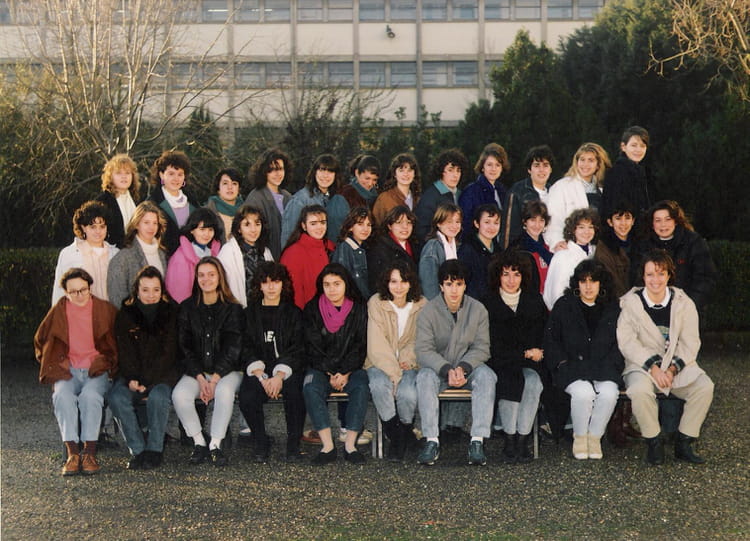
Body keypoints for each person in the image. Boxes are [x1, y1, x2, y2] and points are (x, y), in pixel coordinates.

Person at [618, 250, 714, 464]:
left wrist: (672, 369)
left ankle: (684, 441)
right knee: (639, 391)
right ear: (643, 276)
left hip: (674, 366)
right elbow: (627, 342)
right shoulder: (630, 303)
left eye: (661, 274)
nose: (656, 280)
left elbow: (691, 342)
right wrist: (653, 368)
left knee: (704, 386)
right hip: (642, 366)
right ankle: (654, 442)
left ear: (669, 275)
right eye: (650, 274)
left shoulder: (684, 302)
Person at [34, 268, 118, 476]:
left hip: (95, 369)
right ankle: (73, 454)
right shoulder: (59, 311)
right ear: (66, 292)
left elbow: (118, 342)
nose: (80, 295)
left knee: (91, 397)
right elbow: (40, 339)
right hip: (68, 369)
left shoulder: (105, 310)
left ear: (90, 288)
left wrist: (107, 363)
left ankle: (89, 453)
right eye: (74, 292)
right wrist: (53, 362)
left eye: (83, 290)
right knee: (61, 396)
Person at [415, 260, 496, 466]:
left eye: (459, 284)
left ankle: (477, 440)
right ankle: (431, 440)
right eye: (449, 284)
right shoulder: (428, 311)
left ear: (465, 285)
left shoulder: (478, 309)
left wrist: (463, 368)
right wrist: (446, 369)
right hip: (439, 369)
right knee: (424, 377)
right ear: (441, 286)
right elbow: (423, 349)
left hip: (468, 367)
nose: (454, 290)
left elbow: (482, 347)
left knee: (487, 376)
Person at [544, 260, 623, 460]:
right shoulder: (565, 305)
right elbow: (551, 340)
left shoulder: (613, 308)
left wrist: (613, 366)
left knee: (609, 393)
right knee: (583, 393)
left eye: (593, 281)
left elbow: (620, 343)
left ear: (601, 284)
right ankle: (580, 437)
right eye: (583, 281)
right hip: (572, 367)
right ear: (577, 283)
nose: (588, 287)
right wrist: (561, 364)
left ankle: (594, 437)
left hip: (603, 367)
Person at [172, 257, 244, 467]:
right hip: (198, 372)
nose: (206, 279)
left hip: (227, 371)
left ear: (220, 277)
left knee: (224, 392)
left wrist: (214, 380)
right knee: (180, 395)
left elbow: (233, 348)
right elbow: (184, 347)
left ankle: (215, 444)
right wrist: (200, 377)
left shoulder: (233, 309)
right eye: (201, 275)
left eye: (211, 274)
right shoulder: (187, 308)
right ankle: (199, 442)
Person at [109, 266, 178, 470]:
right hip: (132, 375)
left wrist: (148, 382)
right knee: (116, 397)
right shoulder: (126, 314)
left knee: (158, 397)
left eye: (156, 289)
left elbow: (169, 353)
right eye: (145, 290)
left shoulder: (171, 313)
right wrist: (132, 378)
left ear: (162, 291)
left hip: (162, 375)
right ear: (137, 291)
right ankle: (138, 450)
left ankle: (154, 450)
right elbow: (124, 351)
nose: (151, 295)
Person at [482, 250, 547, 463]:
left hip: (530, 362)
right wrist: (524, 353)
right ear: (498, 276)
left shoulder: (534, 300)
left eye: (516, 274)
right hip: (500, 361)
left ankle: (522, 438)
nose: (511, 280)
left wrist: (537, 352)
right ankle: (509, 439)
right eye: (506, 274)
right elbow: (490, 344)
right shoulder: (487, 303)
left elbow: (544, 335)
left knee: (533, 382)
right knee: (510, 380)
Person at [238, 262, 306, 463]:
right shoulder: (249, 313)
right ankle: (261, 441)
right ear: (259, 285)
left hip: (287, 369)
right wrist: (261, 375)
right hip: (259, 369)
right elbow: (245, 347)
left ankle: (293, 445)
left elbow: (298, 348)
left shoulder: (294, 313)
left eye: (275, 282)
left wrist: (279, 375)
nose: (270, 287)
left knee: (295, 393)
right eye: (265, 282)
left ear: (283, 284)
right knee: (247, 396)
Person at [302, 264, 369, 465]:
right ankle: (327, 447)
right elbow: (312, 345)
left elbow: (361, 345)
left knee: (361, 386)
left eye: (337, 284)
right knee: (310, 387)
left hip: (351, 368)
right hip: (321, 368)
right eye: (327, 284)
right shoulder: (312, 309)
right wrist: (331, 371)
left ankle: (350, 446)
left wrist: (345, 371)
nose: (332, 289)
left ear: (346, 284)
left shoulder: (359, 309)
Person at [365, 260, 426, 461]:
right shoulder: (376, 303)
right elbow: (376, 343)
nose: (399, 287)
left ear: (411, 283)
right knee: (379, 386)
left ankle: (405, 430)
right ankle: (397, 437)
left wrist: (407, 359)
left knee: (407, 393)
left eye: (404, 281)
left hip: (410, 363)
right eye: (393, 281)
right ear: (386, 283)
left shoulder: (422, 304)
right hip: (379, 363)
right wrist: (393, 373)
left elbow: (421, 339)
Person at [633, 200, 717, 313]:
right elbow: (638, 279)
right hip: (652, 310)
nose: (663, 225)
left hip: (686, 310)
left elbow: (705, 278)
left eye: (668, 219)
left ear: (676, 221)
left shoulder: (693, 242)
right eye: (658, 220)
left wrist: (689, 305)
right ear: (652, 224)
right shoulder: (644, 246)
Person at [546, 143, 611, 251]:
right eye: (582, 159)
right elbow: (553, 219)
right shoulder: (562, 186)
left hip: (596, 249)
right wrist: (556, 241)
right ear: (576, 162)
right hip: (570, 248)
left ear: (598, 165)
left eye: (591, 160)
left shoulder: (602, 191)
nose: (585, 164)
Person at [52, 201, 119, 305]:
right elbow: (59, 291)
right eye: (93, 227)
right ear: (83, 227)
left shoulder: (115, 254)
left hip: (110, 312)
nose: (98, 231)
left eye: (102, 226)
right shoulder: (69, 254)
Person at [107, 201, 168, 309]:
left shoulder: (162, 255)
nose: (151, 227)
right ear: (136, 224)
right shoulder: (122, 258)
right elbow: (116, 298)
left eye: (155, 223)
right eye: (146, 222)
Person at [280, 204, 336, 310]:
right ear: (304, 226)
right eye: (313, 224)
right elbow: (294, 293)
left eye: (323, 222)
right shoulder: (293, 252)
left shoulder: (330, 246)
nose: (319, 227)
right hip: (306, 313)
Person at [217, 204, 274, 308]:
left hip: (263, 310)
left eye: (257, 224)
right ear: (239, 228)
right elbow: (222, 287)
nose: (253, 230)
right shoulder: (228, 252)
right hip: (238, 310)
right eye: (247, 225)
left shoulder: (266, 252)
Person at [280, 154, 342, 248]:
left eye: (330, 171)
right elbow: (288, 236)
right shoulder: (300, 200)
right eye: (321, 170)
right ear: (314, 172)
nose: (325, 175)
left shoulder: (335, 199)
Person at [543, 207, 599, 310]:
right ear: (573, 230)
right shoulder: (563, 256)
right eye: (581, 227)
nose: (586, 231)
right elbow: (556, 294)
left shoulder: (596, 252)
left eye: (590, 227)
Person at [501, 145, 554, 248]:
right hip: (525, 251)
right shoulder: (517, 192)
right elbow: (508, 233)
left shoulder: (554, 192)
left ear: (551, 169)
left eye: (545, 165)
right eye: (537, 165)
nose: (541, 170)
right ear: (529, 170)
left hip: (550, 248)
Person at [165, 208, 222, 303]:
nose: (207, 234)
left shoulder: (214, 253)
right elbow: (179, 295)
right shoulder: (180, 258)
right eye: (202, 229)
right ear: (192, 230)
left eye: (210, 229)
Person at [147, 150, 198, 256]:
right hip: (162, 258)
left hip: (191, 259)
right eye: (171, 174)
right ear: (161, 175)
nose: (176, 178)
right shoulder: (152, 203)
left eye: (180, 174)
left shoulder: (193, 202)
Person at [244, 148, 293, 259]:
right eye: (272, 170)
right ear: (264, 172)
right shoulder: (255, 199)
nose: (277, 174)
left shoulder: (288, 197)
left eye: (280, 169)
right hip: (266, 259)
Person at [414, 149, 468, 242]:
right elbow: (422, 230)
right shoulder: (430, 196)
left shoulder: (461, 195)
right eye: (450, 170)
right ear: (441, 171)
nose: (455, 175)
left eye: (458, 171)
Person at [366, 205, 420, 293]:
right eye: (399, 222)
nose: (405, 227)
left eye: (409, 222)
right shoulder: (379, 249)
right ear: (389, 226)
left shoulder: (416, 246)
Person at [602, 126, 651, 221]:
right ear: (623, 147)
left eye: (642, 146)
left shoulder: (641, 171)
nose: (638, 150)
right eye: (634, 145)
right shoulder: (618, 172)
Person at [326, 155, 380, 242]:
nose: (370, 183)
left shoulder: (376, 196)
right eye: (367, 178)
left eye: (374, 180)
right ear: (357, 173)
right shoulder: (343, 196)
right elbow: (334, 232)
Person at [458, 142, 509, 234]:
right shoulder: (471, 191)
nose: (493, 169)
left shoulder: (503, 191)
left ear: (502, 168)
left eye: (497, 165)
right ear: (482, 167)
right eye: (489, 165)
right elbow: (465, 224)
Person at [95, 153, 140, 248]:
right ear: (110, 177)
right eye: (119, 173)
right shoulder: (102, 202)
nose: (124, 176)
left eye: (127, 173)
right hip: (110, 251)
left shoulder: (137, 200)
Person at [458, 204, 501, 300]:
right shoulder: (467, 250)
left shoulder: (499, 250)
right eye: (487, 222)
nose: (492, 227)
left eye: (496, 223)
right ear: (477, 224)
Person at [419, 203, 462, 300]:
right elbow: (429, 288)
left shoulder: (457, 246)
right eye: (449, 222)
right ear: (438, 223)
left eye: (457, 222)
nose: (454, 226)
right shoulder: (432, 247)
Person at [595, 202, 636, 299]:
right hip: (620, 301)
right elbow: (614, 286)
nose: (623, 223)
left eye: (627, 218)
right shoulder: (604, 249)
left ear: (633, 221)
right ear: (610, 222)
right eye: (618, 218)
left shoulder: (639, 244)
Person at [331, 207, 374, 299]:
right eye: (360, 224)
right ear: (350, 227)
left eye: (369, 225)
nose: (365, 229)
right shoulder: (344, 249)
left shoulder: (364, 248)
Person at [511, 200, 552, 294]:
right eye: (533, 220)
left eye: (541, 220)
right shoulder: (518, 248)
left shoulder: (546, 245)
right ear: (525, 221)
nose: (537, 225)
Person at [372, 153, 421, 225]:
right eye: (401, 170)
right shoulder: (384, 198)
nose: (406, 174)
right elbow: (376, 225)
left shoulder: (418, 199)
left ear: (414, 174)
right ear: (394, 174)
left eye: (410, 170)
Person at [205, 167, 245, 242]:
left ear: (239, 189)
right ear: (218, 189)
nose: (230, 187)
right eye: (225, 183)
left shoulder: (247, 212)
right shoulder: (207, 213)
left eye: (234, 183)